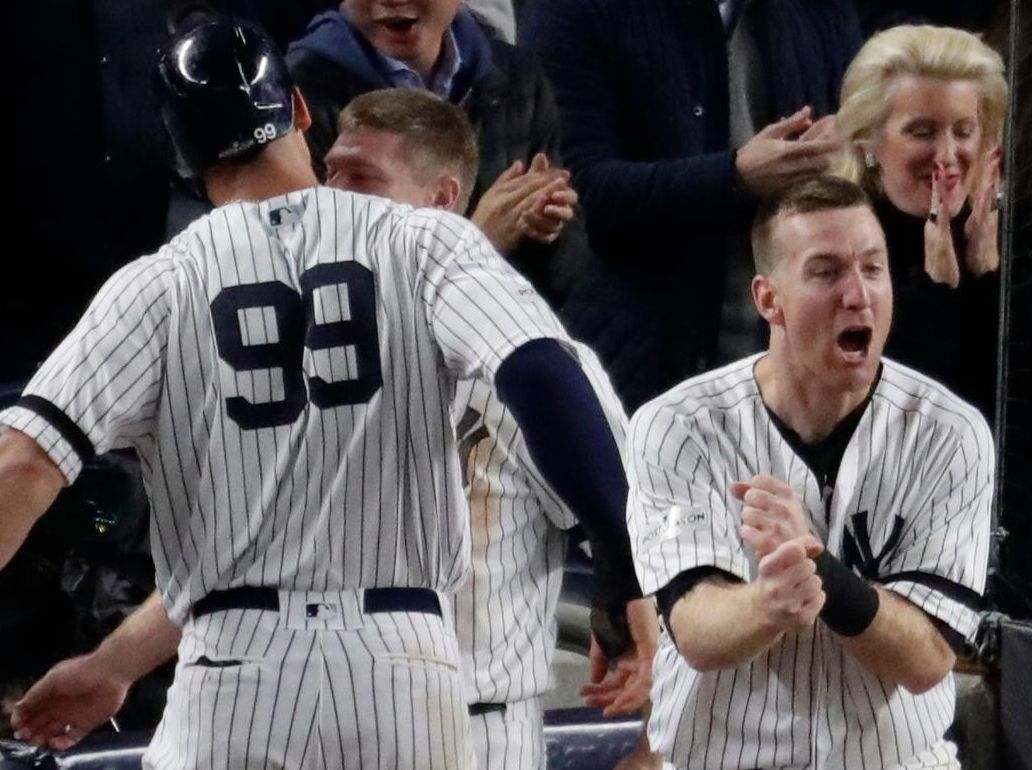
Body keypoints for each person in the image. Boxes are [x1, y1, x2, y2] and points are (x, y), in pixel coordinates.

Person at [0, 20, 650, 768]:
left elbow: (21, 463)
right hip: (404, 668)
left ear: (180, 155)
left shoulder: (158, 284)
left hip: (232, 670)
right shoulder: (425, 241)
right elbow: (539, 368)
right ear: (302, 112)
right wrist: (621, 567)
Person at [627, 176, 993, 770]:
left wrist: (818, 570)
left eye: (872, 269)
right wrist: (772, 603)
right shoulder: (677, 425)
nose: (859, 294)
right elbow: (695, 628)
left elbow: (929, 658)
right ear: (769, 299)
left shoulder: (950, 433)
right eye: (826, 272)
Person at [520, 0, 862, 410]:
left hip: (795, 368)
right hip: (639, 367)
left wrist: (852, 151)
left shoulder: (821, 10)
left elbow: (862, 157)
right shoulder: (573, 11)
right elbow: (579, 195)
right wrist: (733, 178)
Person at [284, 0, 590, 307]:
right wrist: (477, 242)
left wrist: (547, 223)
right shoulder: (298, 98)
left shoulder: (517, 76)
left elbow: (571, 261)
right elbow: (324, 286)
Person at [833, 24, 1008, 419]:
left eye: (964, 131)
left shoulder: (1009, 236)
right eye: (922, 132)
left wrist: (988, 277)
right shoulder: (832, 246)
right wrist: (936, 294)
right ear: (868, 143)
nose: (946, 155)